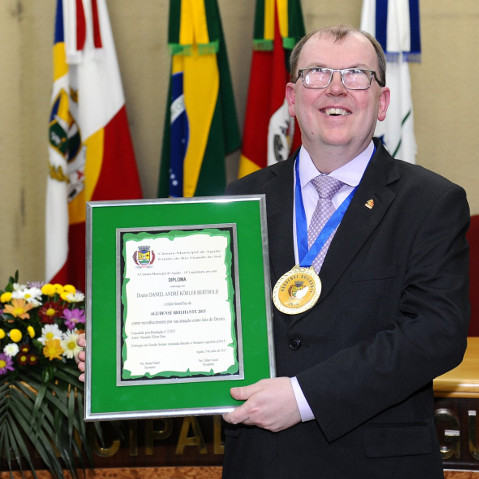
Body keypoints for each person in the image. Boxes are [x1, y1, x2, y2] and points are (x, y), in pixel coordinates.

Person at [77, 24, 470, 478]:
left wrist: (305, 397)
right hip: (260, 463)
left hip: (374, 463)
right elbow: (204, 318)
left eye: (357, 75)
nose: (335, 89)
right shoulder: (240, 199)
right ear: (290, 97)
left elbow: (434, 334)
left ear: (382, 102)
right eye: (316, 73)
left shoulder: (430, 201)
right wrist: (120, 354)